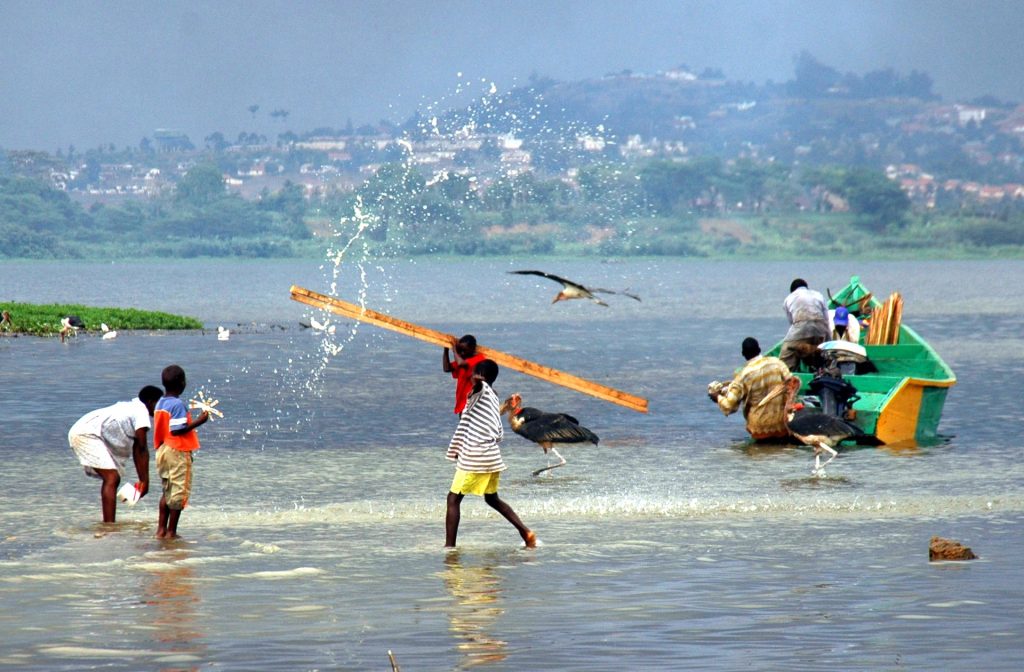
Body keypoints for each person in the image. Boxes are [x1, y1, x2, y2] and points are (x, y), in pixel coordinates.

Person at [445, 359, 536, 549]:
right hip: (491, 456)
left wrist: (476, 378)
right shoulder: (491, 396)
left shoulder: (482, 388)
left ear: (481, 376)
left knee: (453, 499)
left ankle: (449, 547)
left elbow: (478, 384)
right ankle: (526, 533)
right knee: (492, 498)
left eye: (474, 374)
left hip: (476, 455)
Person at [68, 385, 163, 522]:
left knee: (112, 478)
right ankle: (109, 526)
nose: (161, 409)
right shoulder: (141, 413)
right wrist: (145, 482)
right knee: (112, 478)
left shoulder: (133, 408)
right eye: (159, 404)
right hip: (86, 434)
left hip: (85, 431)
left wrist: (143, 480)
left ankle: (108, 523)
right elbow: (142, 448)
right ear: (150, 402)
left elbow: (138, 448)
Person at [154, 364, 209, 539]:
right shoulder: (177, 404)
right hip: (177, 451)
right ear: (181, 383)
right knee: (178, 492)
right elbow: (178, 430)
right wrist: (200, 421)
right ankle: (172, 532)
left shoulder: (160, 403)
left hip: (162, 450)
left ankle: (161, 530)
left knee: (167, 491)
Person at [707, 337, 792, 441]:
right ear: (759, 349)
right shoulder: (777, 363)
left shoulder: (743, 375)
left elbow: (729, 406)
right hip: (782, 425)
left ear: (743, 354)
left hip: (759, 429)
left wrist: (717, 397)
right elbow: (792, 383)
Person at [780, 278, 829, 371]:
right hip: (820, 329)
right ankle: (821, 368)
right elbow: (826, 320)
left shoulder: (788, 298)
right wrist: (828, 341)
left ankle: (787, 373)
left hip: (800, 328)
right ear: (807, 288)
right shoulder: (819, 295)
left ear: (792, 291)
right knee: (819, 354)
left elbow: (792, 323)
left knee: (786, 355)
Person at [442, 334, 487, 415]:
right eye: (460, 350)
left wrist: (455, 350)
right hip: (462, 405)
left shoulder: (479, 359)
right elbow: (447, 368)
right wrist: (446, 350)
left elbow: (460, 363)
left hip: (472, 405)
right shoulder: (465, 359)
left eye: (464, 350)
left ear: (472, 349)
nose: (462, 353)